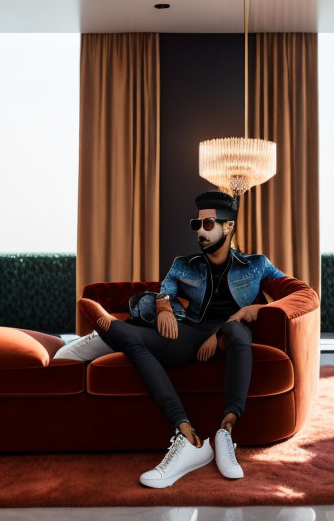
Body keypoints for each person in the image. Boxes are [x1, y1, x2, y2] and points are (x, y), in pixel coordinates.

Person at [76, 189, 286, 488]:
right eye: (197, 225)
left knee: (238, 332)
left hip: (229, 333)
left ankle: (226, 431)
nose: (201, 231)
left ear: (229, 227)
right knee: (126, 333)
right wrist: (163, 307)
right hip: (191, 332)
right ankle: (189, 437)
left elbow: (299, 293)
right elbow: (166, 289)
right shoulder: (184, 264)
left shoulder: (256, 264)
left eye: (209, 224)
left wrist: (248, 310)